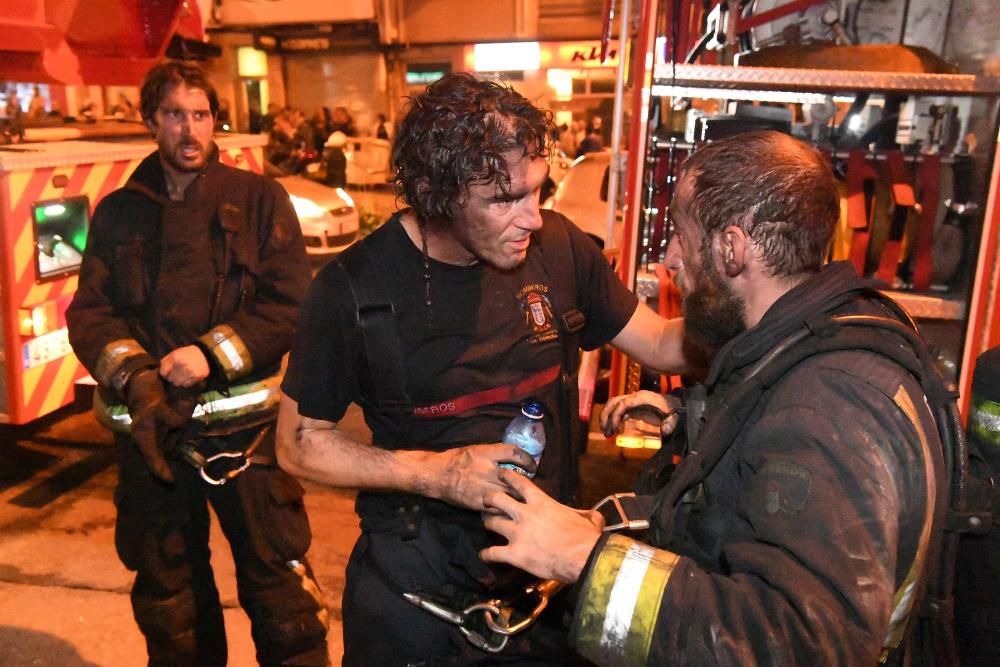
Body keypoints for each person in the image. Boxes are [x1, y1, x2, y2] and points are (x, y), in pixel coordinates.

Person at [480, 131, 950, 666]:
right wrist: (615, 515)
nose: (671, 258)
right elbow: (733, 511)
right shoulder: (800, 348)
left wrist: (586, 559)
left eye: (681, 235)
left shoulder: (825, 407)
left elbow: (805, 646)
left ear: (731, 248)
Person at [276, 72, 682, 664]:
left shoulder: (562, 250)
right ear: (432, 193)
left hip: (543, 606)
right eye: (504, 199)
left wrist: (771, 301)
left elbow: (667, 344)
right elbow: (297, 443)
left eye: (537, 191)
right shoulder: (351, 290)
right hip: (415, 615)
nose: (533, 217)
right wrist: (433, 473)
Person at [65, 60, 328, 666]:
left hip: (245, 442)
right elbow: (91, 313)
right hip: (152, 444)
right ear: (151, 121)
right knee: (170, 602)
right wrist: (135, 377)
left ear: (216, 121)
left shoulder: (258, 200)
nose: (190, 130)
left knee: (282, 599)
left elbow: (290, 303)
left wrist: (209, 356)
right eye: (175, 115)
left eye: (201, 115)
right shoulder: (117, 213)